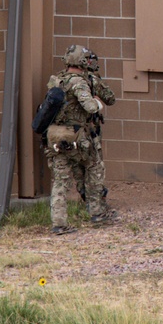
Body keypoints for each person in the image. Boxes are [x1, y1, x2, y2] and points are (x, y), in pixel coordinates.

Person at [44, 45, 117, 235]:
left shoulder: (56, 80)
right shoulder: (80, 82)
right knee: (94, 169)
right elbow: (91, 106)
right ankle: (97, 212)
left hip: (55, 137)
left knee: (60, 181)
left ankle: (59, 223)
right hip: (77, 137)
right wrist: (97, 102)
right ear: (83, 61)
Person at [74, 50, 115, 209]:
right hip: (91, 130)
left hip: (72, 130)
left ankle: (85, 198)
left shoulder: (65, 79)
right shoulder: (93, 80)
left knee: (78, 167)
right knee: (95, 166)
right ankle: (97, 204)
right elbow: (111, 98)